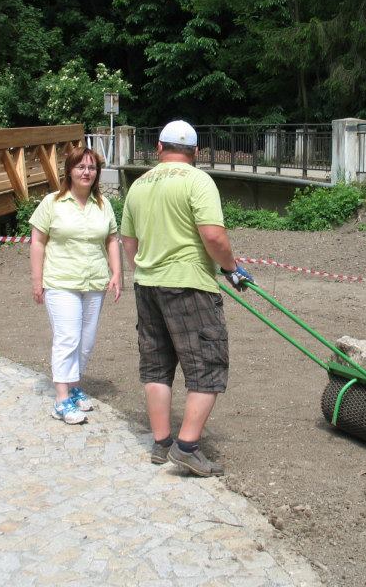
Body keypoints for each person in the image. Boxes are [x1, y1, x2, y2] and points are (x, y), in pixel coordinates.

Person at [120, 120, 253, 477]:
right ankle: (187, 448)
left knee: (156, 364)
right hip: (190, 285)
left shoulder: (138, 186)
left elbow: (129, 245)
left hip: (146, 285)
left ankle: (161, 444)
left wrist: (149, 269)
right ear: (195, 153)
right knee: (207, 365)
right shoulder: (198, 181)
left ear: (159, 148)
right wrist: (231, 269)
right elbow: (214, 237)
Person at [29, 145, 121, 425]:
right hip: (61, 281)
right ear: (69, 171)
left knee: (86, 341)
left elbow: (112, 240)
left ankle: (73, 384)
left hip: (93, 281)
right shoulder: (51, 203)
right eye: (80, 167)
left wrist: (117, 273)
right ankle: (60, 399)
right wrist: (37, 280)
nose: (86, 172)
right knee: (67, 337)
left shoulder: (103, 205)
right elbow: (37, 242)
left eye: (91, 167)